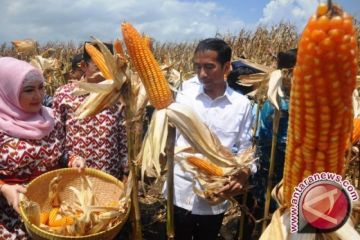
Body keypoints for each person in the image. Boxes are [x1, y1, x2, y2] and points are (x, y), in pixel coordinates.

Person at [168, 38, 255, 240]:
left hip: (216, 192)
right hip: (182, 186)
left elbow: (245, 146)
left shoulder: (241, 105)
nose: (201, 74)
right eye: (197, 67)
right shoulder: (184, 96)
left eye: (209, 67)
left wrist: (243, 172)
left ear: (226, 67)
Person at [0, 57, 84, 240]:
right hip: (10, 219)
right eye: (29, 90)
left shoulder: (49, 119)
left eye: (41, 87)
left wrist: (72, 160)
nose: (38, 96)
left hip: (50, 213)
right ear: (7, 92)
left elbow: (60, 153)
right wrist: (4, 188)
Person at [52, 43, 128, 180]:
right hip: (74, 175)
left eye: (109, 67)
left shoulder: (117, 95)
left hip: (109, 175)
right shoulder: (64, 94)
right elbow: (57, 136)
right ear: (83, 66)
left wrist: (127, 172)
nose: (105, 74)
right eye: (98, 67)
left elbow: (123, 138)